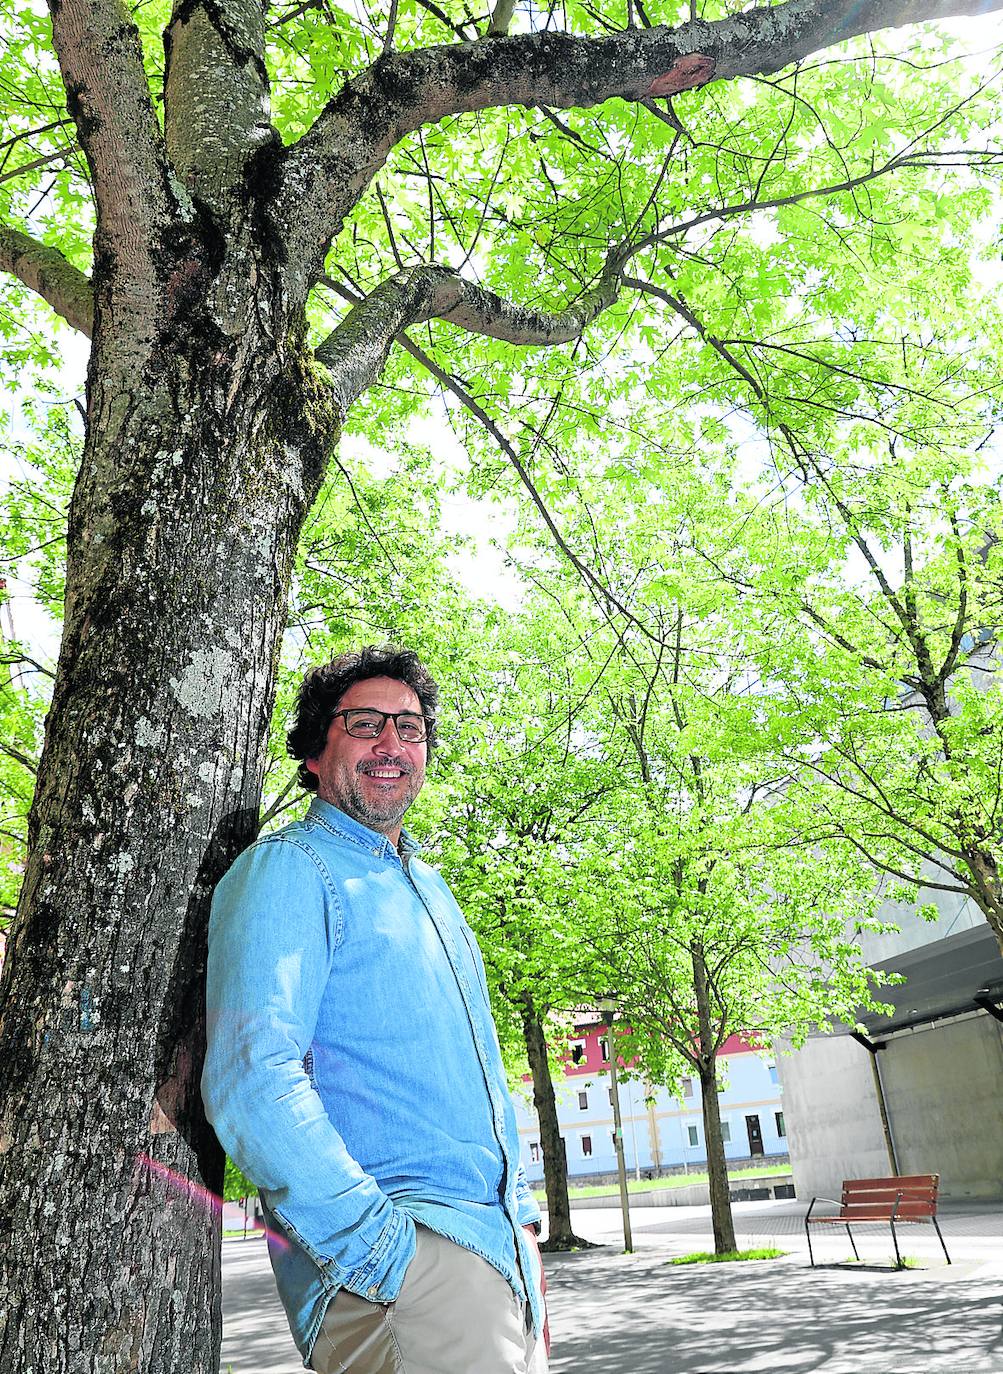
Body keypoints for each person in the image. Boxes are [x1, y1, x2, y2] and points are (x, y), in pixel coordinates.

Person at [202, 645, 549, 1374]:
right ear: (312, 750)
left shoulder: (427, 886)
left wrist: (518, 1223)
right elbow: (251, 1075)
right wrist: (381, 1252)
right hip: (405, 1272)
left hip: (492, 1261)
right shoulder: (292, 868)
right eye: (366, 724)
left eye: (412, 727)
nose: (393, 744)